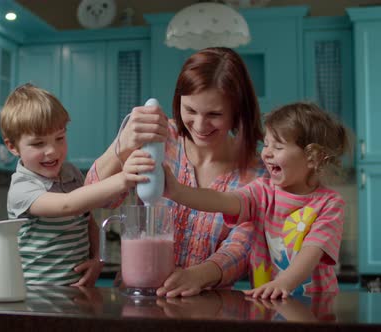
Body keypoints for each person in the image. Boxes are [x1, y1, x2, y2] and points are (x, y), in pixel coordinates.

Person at [85, 47, 267, 297]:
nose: (200, 126)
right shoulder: (159, 138)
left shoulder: (257, 171)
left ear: (238, 111)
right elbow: (93, 199)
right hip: (140, 294)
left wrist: (200, 275)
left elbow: (242, 244)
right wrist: (121, 145)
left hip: (206, 303)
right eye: (190, 110)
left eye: (214, 114)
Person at [162, 102, 351, 298]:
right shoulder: (263, 191)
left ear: (313, 158)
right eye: (266, 144)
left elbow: (312, 251)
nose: (267, 153)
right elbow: (222, 199)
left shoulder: (329, 204)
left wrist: (283, 283)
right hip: (267, 300)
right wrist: (178, 192)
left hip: (315, 306)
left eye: (278, 147)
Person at [0, 83, 151, 286]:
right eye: (38, 144)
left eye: (59, 138)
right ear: (12, 146)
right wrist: (123, 178)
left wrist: (98, 258)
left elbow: (87, 221)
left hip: (77, 290)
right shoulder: (22, 187)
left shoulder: (71, 174)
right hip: (36, 294)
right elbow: (67, 205)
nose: (52, 151)